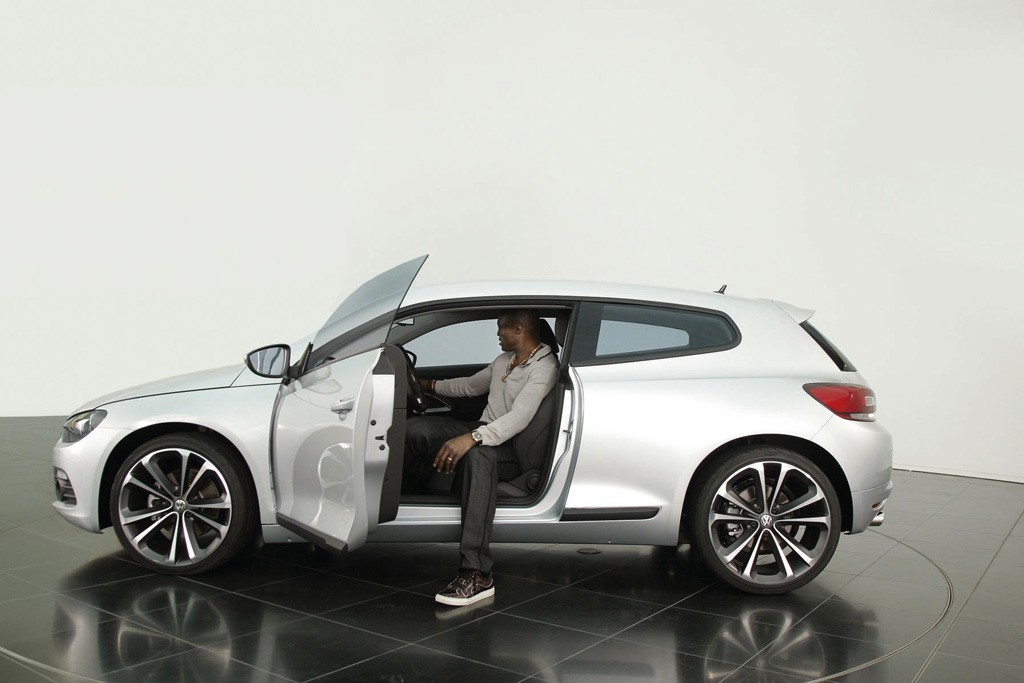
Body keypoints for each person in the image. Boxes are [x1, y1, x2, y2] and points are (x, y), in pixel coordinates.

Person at [404, 310, 558, 606]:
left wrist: (472, 438)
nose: (498, 334)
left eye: (501, 328)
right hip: (482, 429)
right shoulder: (504, 360)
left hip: (509, 446)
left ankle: (476, 573)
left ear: (519, 329)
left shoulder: (544, 368)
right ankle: (407, 496)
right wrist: (427, 385)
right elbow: (469, 386)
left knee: (477, 458)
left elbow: (520, 417)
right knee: (416, 431)